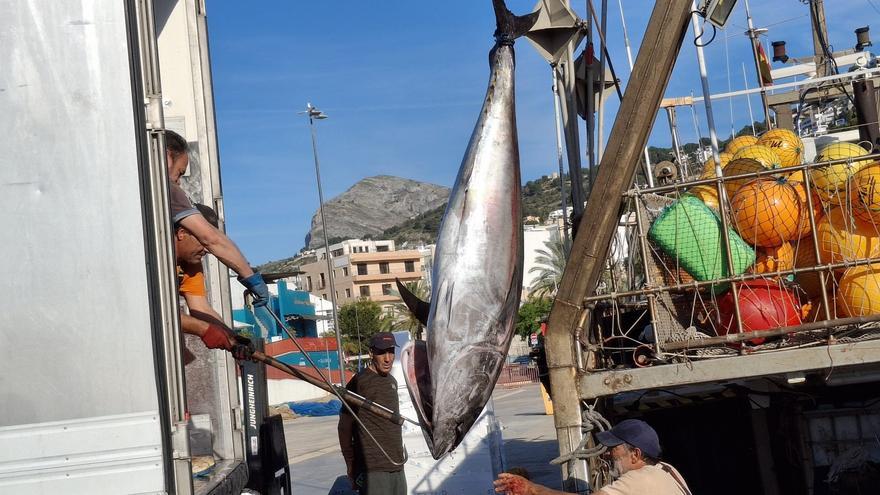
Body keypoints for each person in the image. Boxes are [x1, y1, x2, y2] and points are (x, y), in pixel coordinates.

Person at [164, 130, 269, 307]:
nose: (179, 181)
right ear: (166, 158)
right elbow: (211, 238)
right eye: (180, 173)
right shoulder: (169, 189)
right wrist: (250, 277)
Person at [494, 419, 691, 495]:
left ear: (635, 454)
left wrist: (531, 489)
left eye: (614, 448)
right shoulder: (666, 469)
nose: (607, 452)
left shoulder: (639, 479)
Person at [175, 203, 251, 359]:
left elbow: (200, 307)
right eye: (204, 241)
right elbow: (160, 314)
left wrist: (233, 339)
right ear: (182, 233)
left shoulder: (190, 264)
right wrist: (204, 329)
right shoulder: (153, 260)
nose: (207, 249)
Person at [337, 332, 406, 494]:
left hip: (396, 463)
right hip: (372, 467)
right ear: (371, 353)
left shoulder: (392, 381)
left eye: (391, 351)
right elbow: (344, 427)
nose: (388, 358)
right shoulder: (359, 382)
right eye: (382, 352)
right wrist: (350, 464)